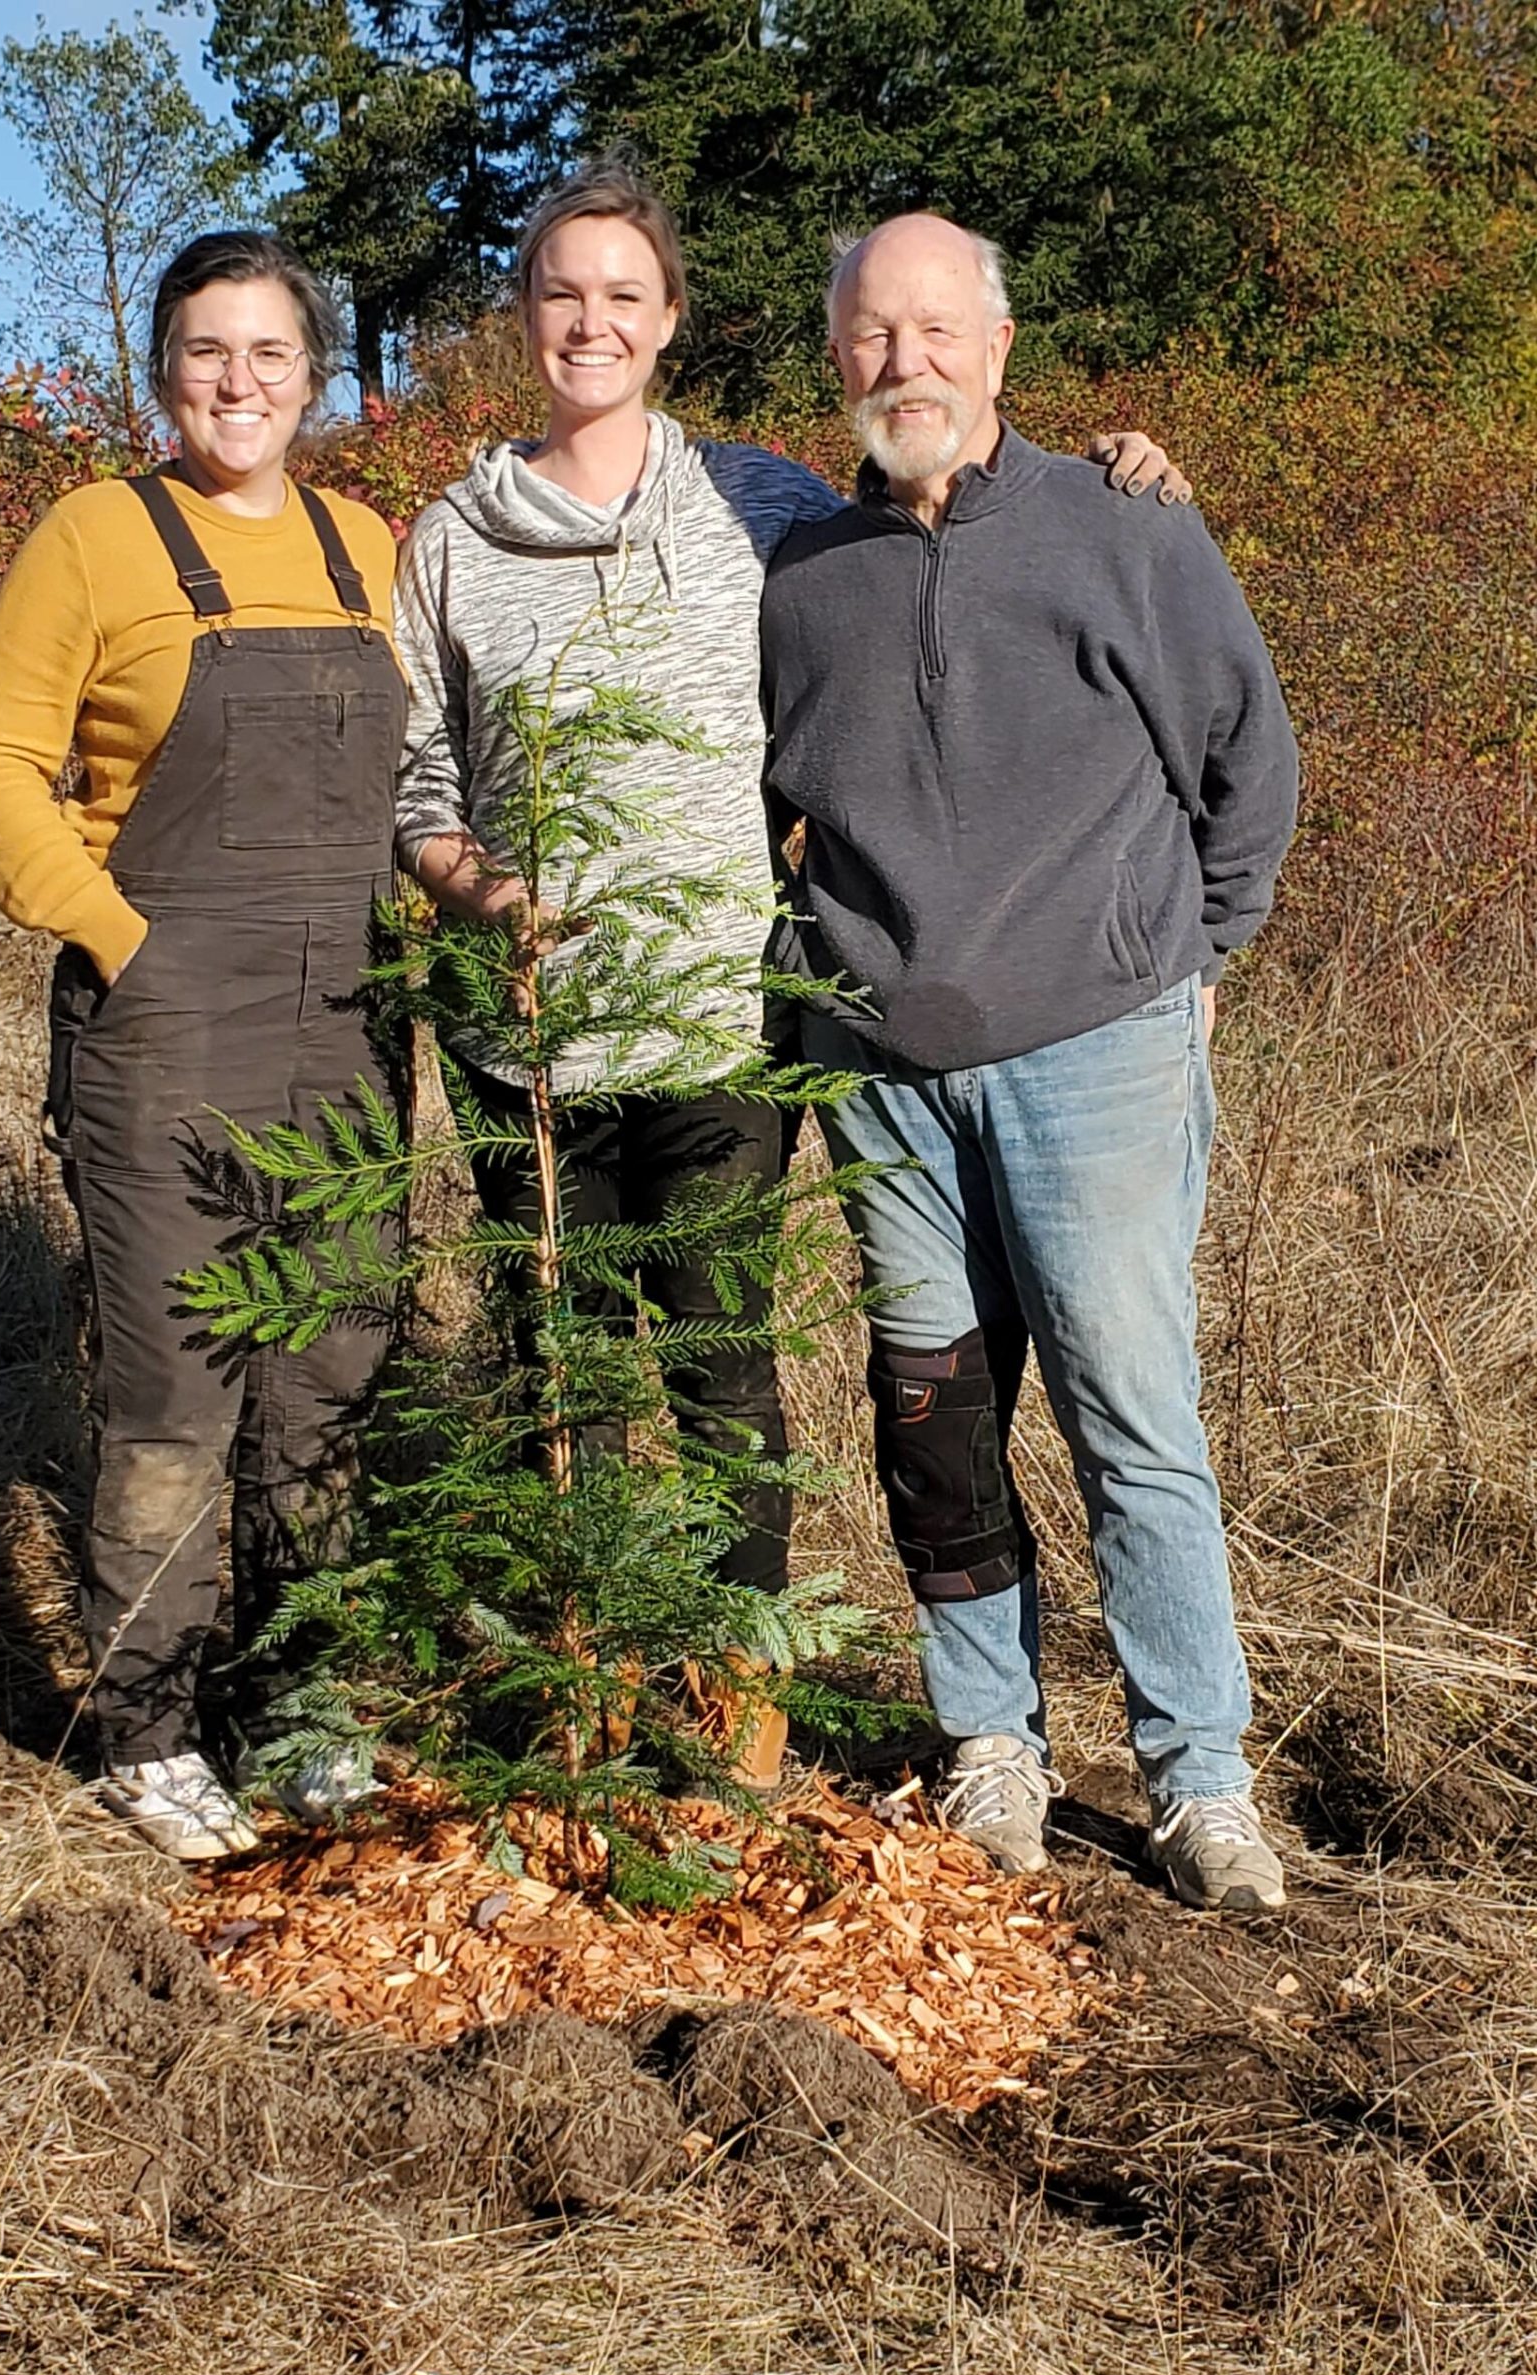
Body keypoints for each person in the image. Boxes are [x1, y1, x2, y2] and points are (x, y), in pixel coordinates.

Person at [393, 162, 1183, 1788]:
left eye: (627, 294)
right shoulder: (449, 541)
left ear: (670, 321)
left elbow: (933, 519)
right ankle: (578, 1695)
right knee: (555, 1373)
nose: (593, 323)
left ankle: (730, 1699)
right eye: (564, 294)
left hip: (720, 1026)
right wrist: (480, 890)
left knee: (720, 1377)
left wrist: (1118, 474)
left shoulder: (754, 506)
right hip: (528, 1047)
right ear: (525, 320)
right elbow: (417, 785)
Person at [762, 213, 1299, 1910]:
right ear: (836, 354)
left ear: (1000, 348)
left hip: (1098, 1061)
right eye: (870, 332)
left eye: (935, 330)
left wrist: (1191, 956)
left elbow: (1248, 758)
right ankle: (989, 1738)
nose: (903, 360)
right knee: (934, 1417)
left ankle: (1197, 1778)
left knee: (1131, 1420)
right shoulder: (802, 570)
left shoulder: (1122, 527)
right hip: (882, 1076)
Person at [0, 232, 405, 1860]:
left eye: (270, 352)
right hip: (165, 1026)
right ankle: (149, 1726)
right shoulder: (93, 538)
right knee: (174, 1388)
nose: (238, 382)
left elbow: (411, 798)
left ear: (315, 375)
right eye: (207, 351)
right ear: (164, 371)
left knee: (332, 1375)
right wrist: (116, 935)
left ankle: (305, 1701)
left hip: (349, 1027)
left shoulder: (368, 549)